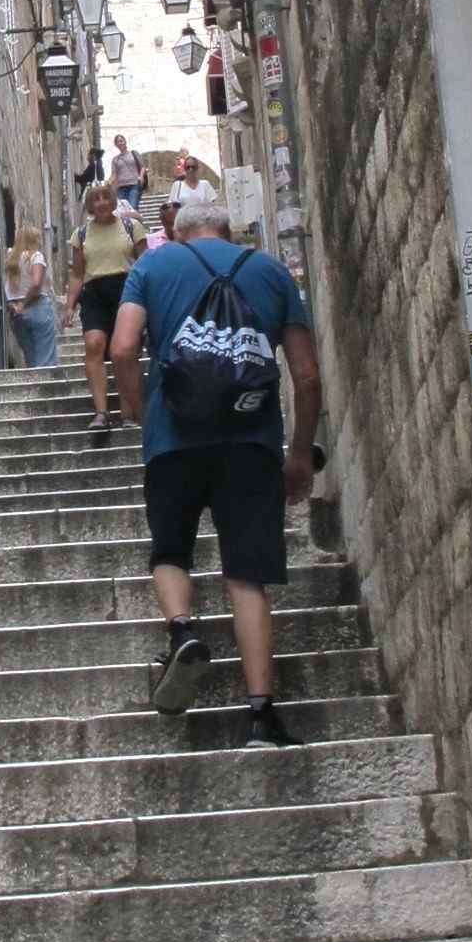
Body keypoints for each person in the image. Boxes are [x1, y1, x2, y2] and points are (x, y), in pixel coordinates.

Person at [112, 207, 321, 750]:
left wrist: (140, 409)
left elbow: (121, 347)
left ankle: (182, 630)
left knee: (171, 551)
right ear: (228, 232)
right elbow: (306, 374)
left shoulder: (153, 268)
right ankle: (260, 716)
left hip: (173, 435)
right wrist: (299, 454)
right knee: (247, 575)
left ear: (180, 232)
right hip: (251, 441)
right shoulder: (271, 270)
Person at [62, 181, 147, 443]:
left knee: (122, 351)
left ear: (113, 200)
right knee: (94, 345)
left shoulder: (131, 227)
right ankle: (101, 412)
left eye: (105, 197)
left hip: (127, 290)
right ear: (89, 204)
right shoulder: (82, 234)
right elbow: (77, 273)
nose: (101, 202)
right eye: (95, 199)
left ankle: (128, 412)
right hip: (94, 293)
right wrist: (69, 305)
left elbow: (146, 264)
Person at [4, 225, 59, 367]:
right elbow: (36, 284)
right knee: (45, 359)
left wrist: (16, 305)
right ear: (33, 239)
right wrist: (25, 303)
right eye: (38, 238)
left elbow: (7, 287)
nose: (40, 241)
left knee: (31, 358)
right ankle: (46, 388)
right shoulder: (36, 256)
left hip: (16, 313)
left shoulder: (10, 257)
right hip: (37, 306)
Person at [162, 151, 218, 240]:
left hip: (202, 226)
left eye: (193, 167)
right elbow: (173, 206)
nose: (190, 170)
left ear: (198, 168)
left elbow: (213, 206)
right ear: (184, 169)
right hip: (184, 227)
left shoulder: (205, 185)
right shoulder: (177, 185)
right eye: (188, 167)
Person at [108, 134, 144, 211]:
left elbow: (142, 167)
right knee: (123, 210)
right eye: (117, 142)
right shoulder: (115, 159)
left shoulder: (134, 154)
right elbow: (114, 174)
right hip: (121, 187)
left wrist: (141, 177)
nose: (120, 143)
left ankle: (135, 222)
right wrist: (108, 182)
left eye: (121, 141)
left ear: (125, 142)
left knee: (132, 207)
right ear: (116, 145)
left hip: (134, 184)